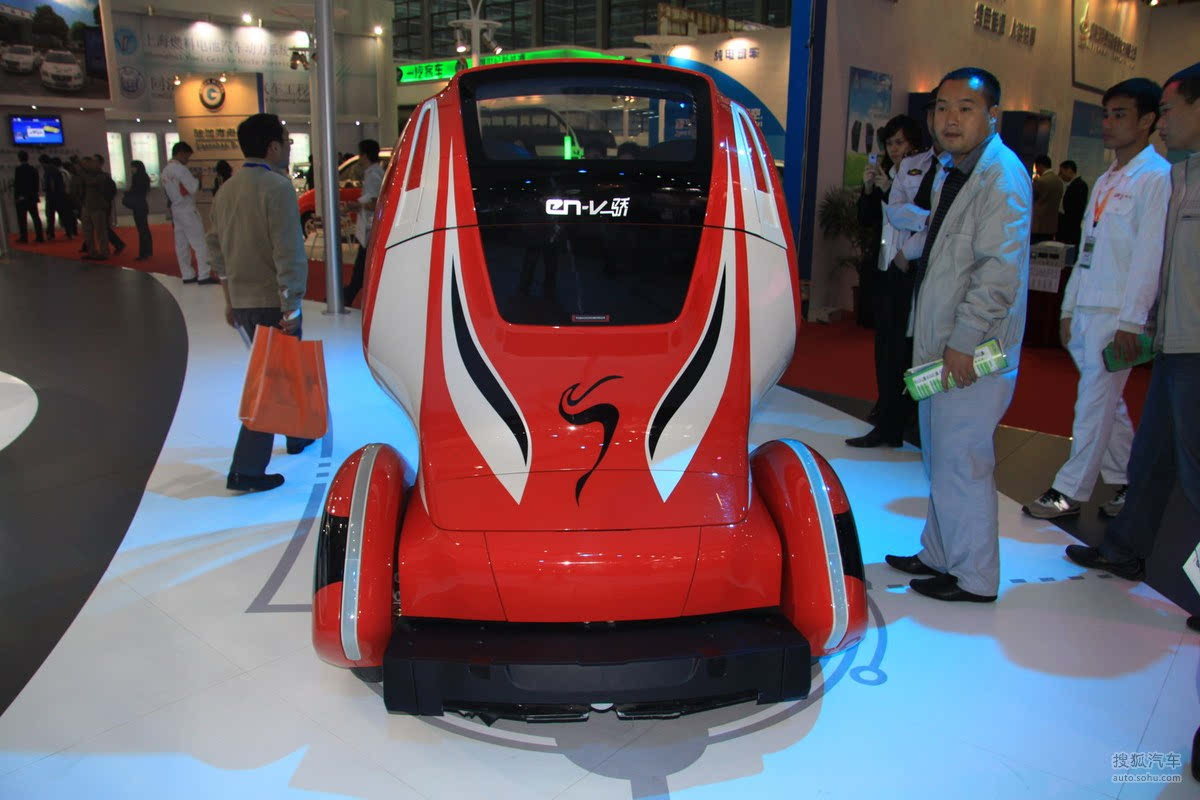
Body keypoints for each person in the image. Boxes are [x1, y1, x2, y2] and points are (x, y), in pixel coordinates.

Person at [884, 67, 1031, 603]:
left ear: (993, 116)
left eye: (965, 108)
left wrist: (964, 340)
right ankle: (940, 553)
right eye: (942, 107)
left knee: (963, 461)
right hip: (942, 342)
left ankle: (974, 576)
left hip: (969, 349)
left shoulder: (1001, 177)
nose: (950, 119)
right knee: (941, 458)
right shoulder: (956, 170)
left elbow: (998, 273)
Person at [1064, 62, 1200, 613]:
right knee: (1150, 459)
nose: (1163, 122)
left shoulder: (1163, 177)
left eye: (1168, 110)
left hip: (1195, 346)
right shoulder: (1181, 177)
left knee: (1194, 473)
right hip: (1172, 341)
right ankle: (1124, 549)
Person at [1024, 79, 1170, 520]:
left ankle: (1069, 491)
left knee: (1093, 402)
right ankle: (1130, 479)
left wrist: (1132, 321)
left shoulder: (1156, 178)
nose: (1108, 123)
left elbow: (1149, 257)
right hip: (1088, 307)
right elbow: (1086, 250)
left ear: (1147, 121)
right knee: (1107, 403)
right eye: (1106, 114)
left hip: (1117, 313)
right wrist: (1068, 308)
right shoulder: (1107, 180)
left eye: (1119, 115)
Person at [206, 113, 313, 493]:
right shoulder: (277, 188)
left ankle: (298, 435)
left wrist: (229, 299)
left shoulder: (227, 190)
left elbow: (215, 249)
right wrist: (291, 304)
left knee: (281, 370)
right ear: (272, 147)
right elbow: (288, 251)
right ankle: (247, 469)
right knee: (271, 382)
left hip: (244, 301)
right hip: (272, 301)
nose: (289, 147)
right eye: (287, 141)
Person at [846, 114, 924, 448]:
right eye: (890, 143)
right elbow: (866, 220)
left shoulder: (924, 175)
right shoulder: (887, 175)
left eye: (900, 142)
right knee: (885, 348)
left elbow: (922, 219)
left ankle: (904, 417)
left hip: (909, 272)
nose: (894, 149)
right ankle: (887, 412)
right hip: (883, 268)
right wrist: (869, 189)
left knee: (905, 350)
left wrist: (891, 191)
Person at [161, 142, 215, 284]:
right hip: (187, 209)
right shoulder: (181, 169)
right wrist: (198, 178)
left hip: (176, 210)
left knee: (181, 245)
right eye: (187, 156)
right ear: (181, 153)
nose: (188, 160)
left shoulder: (166, 170)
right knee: (200, 243)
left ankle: (187, 274)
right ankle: (204, 274)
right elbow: (193, 188)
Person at [343, 138, 384, 307]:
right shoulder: (375, 173)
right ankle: (348, 296)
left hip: (369, 229)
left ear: (365, 155)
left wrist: (357, 206)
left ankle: (347, 297)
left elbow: (375, 203)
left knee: (361, 270)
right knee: (361, 269)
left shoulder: (373, 175)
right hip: (369, 229)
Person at [77, 156, 114, 260]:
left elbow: (91, 182)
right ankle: (92, 252)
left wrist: (81, 172)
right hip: (86, 205)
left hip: (97, 206)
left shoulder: (102, 176)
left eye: (93, 162)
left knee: (100, 231)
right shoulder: (85, 175)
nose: (90, 164)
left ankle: (104, 252)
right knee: (87, 231)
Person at [92, 154, 126, 255]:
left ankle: (118, 244)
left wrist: (105, 201)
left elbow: (111, 190)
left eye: (95, 161)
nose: (93, 163)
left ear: (100, 163)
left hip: (102, 205)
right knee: (99, 226)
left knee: (103, 227)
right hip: (96, 205)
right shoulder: (95, 175)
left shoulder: (104, 176)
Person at [124, 160, 153, 260]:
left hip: (138, 205)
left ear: (136, 167)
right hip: (142, 204)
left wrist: (127, 193)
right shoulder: (145, 177)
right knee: (144, 228)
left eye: (132, 167)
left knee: (141, 229)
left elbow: (135, 191)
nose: (131, 169)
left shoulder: (136, 177)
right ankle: (148, 251)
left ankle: (143, 253)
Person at [13, 151, 44, 244]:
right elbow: (36, 183)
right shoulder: (33, 169)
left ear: (19, 158)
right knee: (36, 217)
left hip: (22, 198)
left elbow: (18, 184)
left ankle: (24, 237)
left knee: (22, 219)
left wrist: (16, 196)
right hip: (32, 197)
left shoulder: (19, 169)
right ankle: (40, 236)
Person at [1031, 154, 1063, 244]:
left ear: (1040, 166)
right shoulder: (1059, 181)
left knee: (1035, 248)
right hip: (1051, 225)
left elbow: (1031, 199)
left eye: (1036, 167)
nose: (1036, 170)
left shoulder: (1040, 181)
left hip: (1038, 225)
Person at [1056, 160, 1088, 248]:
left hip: (1071, 227)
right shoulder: (1072, 185)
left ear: (1069, 170)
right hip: (1068, 225)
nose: (1060, 175)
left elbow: (1076, 209)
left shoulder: (1079, 186)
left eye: (1061, 172)